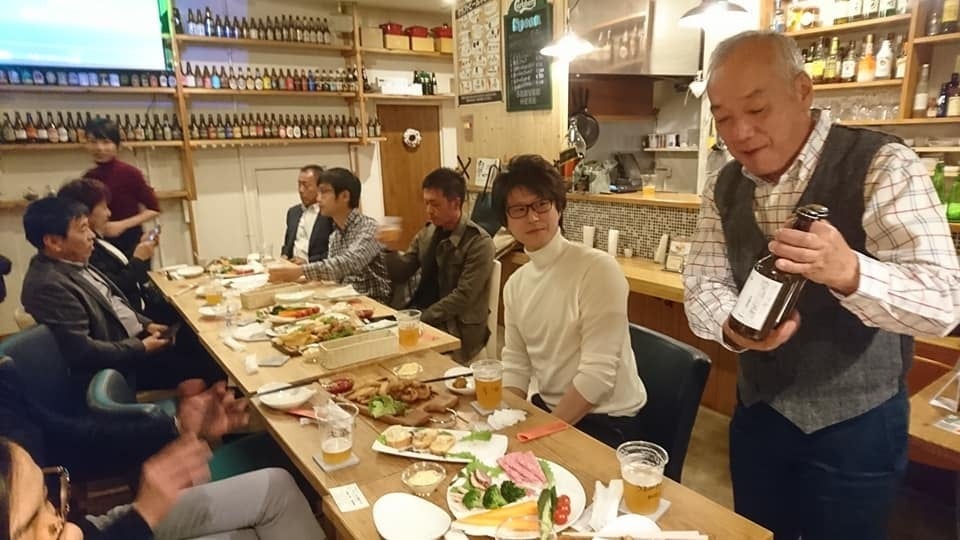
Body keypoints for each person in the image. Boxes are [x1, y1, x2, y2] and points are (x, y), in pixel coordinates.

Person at [683, 31, 960, 540]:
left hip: (856, 424)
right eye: (723, 118)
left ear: (803, 91)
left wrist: (852, 272)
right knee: (754, 532)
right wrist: (733, 326)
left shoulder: (881, 164)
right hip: (760, 413)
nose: (740, 132)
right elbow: (703, 282)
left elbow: (944, 301)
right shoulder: (723, 184)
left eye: (757, 109)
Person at [493, 154, 647, 449]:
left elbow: (597, 376)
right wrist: (505, 418)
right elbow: (516, 362)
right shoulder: (516, 284)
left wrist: (538, 435)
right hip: (553, 410)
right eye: (519, 209)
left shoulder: (597, 269)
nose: (533, 217)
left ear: (559, 206)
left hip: (608, 421)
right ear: (506, 220)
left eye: (541, 204)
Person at [20, 197, 221, 392]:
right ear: (53, 241)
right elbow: (83, 352)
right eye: (83, 229)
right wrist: (141, 347)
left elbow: (113, 301)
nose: (91, 235)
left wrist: (145, 324)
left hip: (131, 342)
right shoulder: (48, 285)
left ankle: (209, 402)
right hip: (117, 367)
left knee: (200, 337)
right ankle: (208, 407)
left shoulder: (72, 262)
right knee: (212, 360)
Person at [381, 168, 495, 363]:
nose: (428, 210)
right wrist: (389, 249)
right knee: (377, 345)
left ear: (455, 203)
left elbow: (463, 296)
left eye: (435, 204)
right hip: (422, 315)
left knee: (399, 360)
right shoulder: (427, 233)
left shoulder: (478, 242)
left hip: (455, 326)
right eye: (426, 203)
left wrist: (420, 318)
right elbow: (403, 272)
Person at [268, 168, 391, 304]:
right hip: (345, 301)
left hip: (373, 305)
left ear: (345, 196)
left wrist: (300, 271)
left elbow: (348, 263)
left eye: (324, 192)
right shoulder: (335, 235)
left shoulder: (370, 228)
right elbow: (334, 276)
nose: (318, 198)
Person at [56, 178, 169, 321]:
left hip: (137, 308)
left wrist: (141, 249)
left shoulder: (96, 239)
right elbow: (113, 287)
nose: (109, 213)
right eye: (104, 207)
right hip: (129, 316)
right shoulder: (82, 250)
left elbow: (121, 269)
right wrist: (139, 260)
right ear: (85, 212)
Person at [82, 118, 160, 257]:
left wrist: (121, 225)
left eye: (106, 142)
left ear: (117, 146)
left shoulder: (130, 173)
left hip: (130, 241)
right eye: (93, 142)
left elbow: (154, 209)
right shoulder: (88, 177)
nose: (99, 148)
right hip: (99, 243)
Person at [281, 165, 334, 264]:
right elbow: (288, 244)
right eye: (299, 185)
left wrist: (308, 262)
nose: (301, 190)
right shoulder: (293, 212)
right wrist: (284, 256)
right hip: (292, 268)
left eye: (305, 185)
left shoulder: (329, 213)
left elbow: (335, 252)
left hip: (316, 269)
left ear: (319, 187)